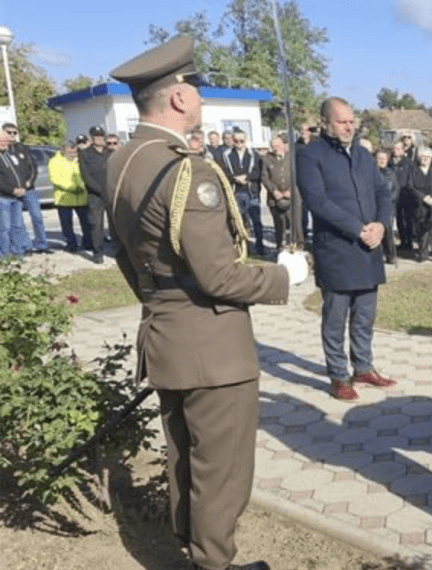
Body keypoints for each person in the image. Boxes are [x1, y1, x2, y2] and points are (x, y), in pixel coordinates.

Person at [106, 35, 303, 570]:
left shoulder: (122, 161)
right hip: (212, 349)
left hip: (166, 335)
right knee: (222, 470)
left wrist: (162, 301)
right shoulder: (186, 170)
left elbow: (123, 256)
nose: (200, 97)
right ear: (177, 98)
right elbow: (219, 277)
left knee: (184, 460)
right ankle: (214, 563)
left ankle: (193, 552)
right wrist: (284, 277)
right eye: (195, 87)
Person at [296, 96, 396, 402]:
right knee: (336, 317)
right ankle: (338, 375)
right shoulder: (310, 155)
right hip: (338, 248)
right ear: (325, 122)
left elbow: (381, 191)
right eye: (342, 121)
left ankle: (363, 367)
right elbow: (317, 200)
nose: (349, 126)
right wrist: (357, 228)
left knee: (365, 314)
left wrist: (381, 224)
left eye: (351, 121)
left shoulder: (363, 155)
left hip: (369, 248)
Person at [3, 122, 48, 253]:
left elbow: (33, 168)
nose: (12, 135)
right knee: (18, 222)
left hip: (29, 190)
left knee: (37, 217)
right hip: (12, 192)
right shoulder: (2, 150)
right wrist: (12, 189)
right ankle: (25, 245)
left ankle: (41, 244)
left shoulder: (23, 148)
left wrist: (29, 182)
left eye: (14, 133)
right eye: (9, 132)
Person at [222, 128, 265, 256]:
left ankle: (260, 246)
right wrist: (235, 178)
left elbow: (259, 172)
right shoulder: (227, 155)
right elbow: (224, 172)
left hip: (251, 192)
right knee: (239, 222)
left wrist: (247, 177)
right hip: (236, 192)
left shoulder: (254, 155)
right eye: (236, 141)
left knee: (256, 222)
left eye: (241, 140)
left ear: (245, 141)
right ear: (232, 141)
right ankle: (243, 248)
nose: (239, 143)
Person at [49, 141, 91, 253]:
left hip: (81, 197)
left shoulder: (80, 160)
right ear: (63, 150)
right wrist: (71, 188)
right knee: (67, 224)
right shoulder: (55, 161)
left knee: (86, 222)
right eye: (70, 151)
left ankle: (87, 243)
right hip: (64, 198)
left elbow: (87, 175)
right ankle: (71, 244)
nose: (72, 153)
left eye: (75, 151)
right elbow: (55, 179)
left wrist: (82, 187)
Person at [79, 125, 112, 263]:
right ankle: (98, 252)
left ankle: (116, 248)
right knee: (96, 224)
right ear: (92, 137)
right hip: (95, 194)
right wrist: (100, 190)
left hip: (111, 193)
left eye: (100, 136)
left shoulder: (110, 152)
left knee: (114, 224)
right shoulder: (85, 153)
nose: (98, 138)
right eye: (96, 136)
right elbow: (85, 176)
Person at [405, 146, 432, 262]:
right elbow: (409, 187)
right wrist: (422, 197)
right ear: (418, 157)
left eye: (427, 157)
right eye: (422, 156)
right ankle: (423, 254)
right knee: (422, 232)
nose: (425, 159)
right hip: (420, 205)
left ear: (431, 158)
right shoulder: (413, 170)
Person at [261, 134, 293, 251]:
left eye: (278, 146)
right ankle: (280, 248)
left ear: (283, 146)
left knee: (292, 225)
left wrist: (291, 191)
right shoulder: (266, 159)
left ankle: (293, 247)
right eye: (273, 147)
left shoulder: (291, 157)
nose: (276, 149)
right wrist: (274, 191)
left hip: (290, 197)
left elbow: (297, 176)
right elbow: (264, 177)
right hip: (274, 198)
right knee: (279, 224)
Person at [0, 132, 26, 257]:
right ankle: (5, 254)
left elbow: (20, 172)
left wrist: (23, 186)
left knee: (18, 226)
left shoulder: (10, 155)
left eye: (5, 141)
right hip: (3, 198)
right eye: (1, 141)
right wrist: (12, 190)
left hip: (17, 197)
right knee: (5, 228)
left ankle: (18, 251)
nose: (4, 143)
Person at [374, 148, 399, 265]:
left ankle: (391, 255)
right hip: (373, 207)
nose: (382, 161)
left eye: (384, 159)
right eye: (380, 158)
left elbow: (395, 190)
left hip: (387, 207)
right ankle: (376, 256)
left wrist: (386, 201)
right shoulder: (370, 172)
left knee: (388, 233)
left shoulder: (391, 173)